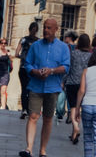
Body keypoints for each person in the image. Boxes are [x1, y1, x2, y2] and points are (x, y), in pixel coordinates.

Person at [21, 16, 71, 157]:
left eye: (49, 28)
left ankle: (42, 150)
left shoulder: (63, 48)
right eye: (44, 27)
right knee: (33, 116)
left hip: (52, 88)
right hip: (36, 86)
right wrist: (35, 71)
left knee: (48, 118)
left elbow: (66, 67)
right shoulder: (35, 46)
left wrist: (52, 71)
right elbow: (27, 64)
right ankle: (29, 149)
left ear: (56, 29)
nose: (45, 30)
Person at [65, 34, 92, 144]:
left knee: (72, 107)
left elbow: (68, 68)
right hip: (84, 84)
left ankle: (75, 127)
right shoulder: (91, 56)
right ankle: (74, 134)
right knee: (79, 107)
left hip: (72, 82)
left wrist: (63, 81)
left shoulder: (73, 53)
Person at [15, 23, 39, 119]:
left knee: (24, 89)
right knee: (30, 89)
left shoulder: (23, 39)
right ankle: (28, 110)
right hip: (32, 68)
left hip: (23, 67)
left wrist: (22, 57)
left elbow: (16, 53)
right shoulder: (38, 41)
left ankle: (24, 109)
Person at [0, 36, 12, 109]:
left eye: (5, 43)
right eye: (1, 43)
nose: (3, 44)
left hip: (5, 73)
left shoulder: (7, 52)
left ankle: (3, 108)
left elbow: (11, 62)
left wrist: (9, 56)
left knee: (3, 91)